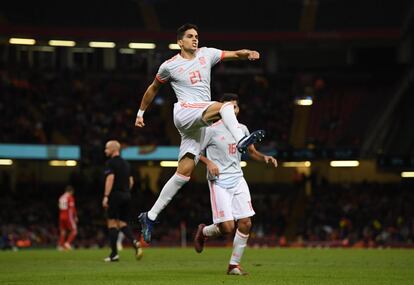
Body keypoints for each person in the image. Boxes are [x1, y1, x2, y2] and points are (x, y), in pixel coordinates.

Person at [135, 23, 265, 243]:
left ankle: (150, 216)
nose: (195, 39)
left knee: (183, 174)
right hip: (185, 112)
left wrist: (247, 54)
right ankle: (242, 140)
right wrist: (140, 113)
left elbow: (232, 54)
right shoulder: (170, 66)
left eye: (196, 36)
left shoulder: (207, 54)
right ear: (180, 42)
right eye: (190, 36)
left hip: (200, 124)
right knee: (225, 106)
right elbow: (153, 88)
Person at [193, 93, 277, 275]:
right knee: (227, 228)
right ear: (221, 109)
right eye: (229, 107)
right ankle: (204, 231)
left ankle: (233, 265)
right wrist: (209, 163)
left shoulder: (242, 129)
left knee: (246, 222)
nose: (233, 110)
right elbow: (194, 152)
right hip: (219, 181)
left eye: (235, 107)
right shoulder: (210, 129)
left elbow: (251, 151)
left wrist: (264, 158)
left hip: (238, 178)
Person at [102, 140, 143, 262]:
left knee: (112, 223)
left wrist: (106, 196)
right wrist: (125, 191)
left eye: (107, 148)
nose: (105, 150)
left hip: (115, 195)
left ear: (114, 149)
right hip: (126, 196)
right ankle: (135, 242)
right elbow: (131, 181)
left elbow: (110, 178)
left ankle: (114, 254)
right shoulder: (126, 164)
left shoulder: (110, 163)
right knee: (122, 223)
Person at [58, 185, 78, 250]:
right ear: (71, 191)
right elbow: (72, 208)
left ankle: (60, 246)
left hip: (61, 215)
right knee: (74, 230)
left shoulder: (61, 197)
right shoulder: (70, 197)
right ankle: (67, 243)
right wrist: (75, 216)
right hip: (68, 216)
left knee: (63, 231)